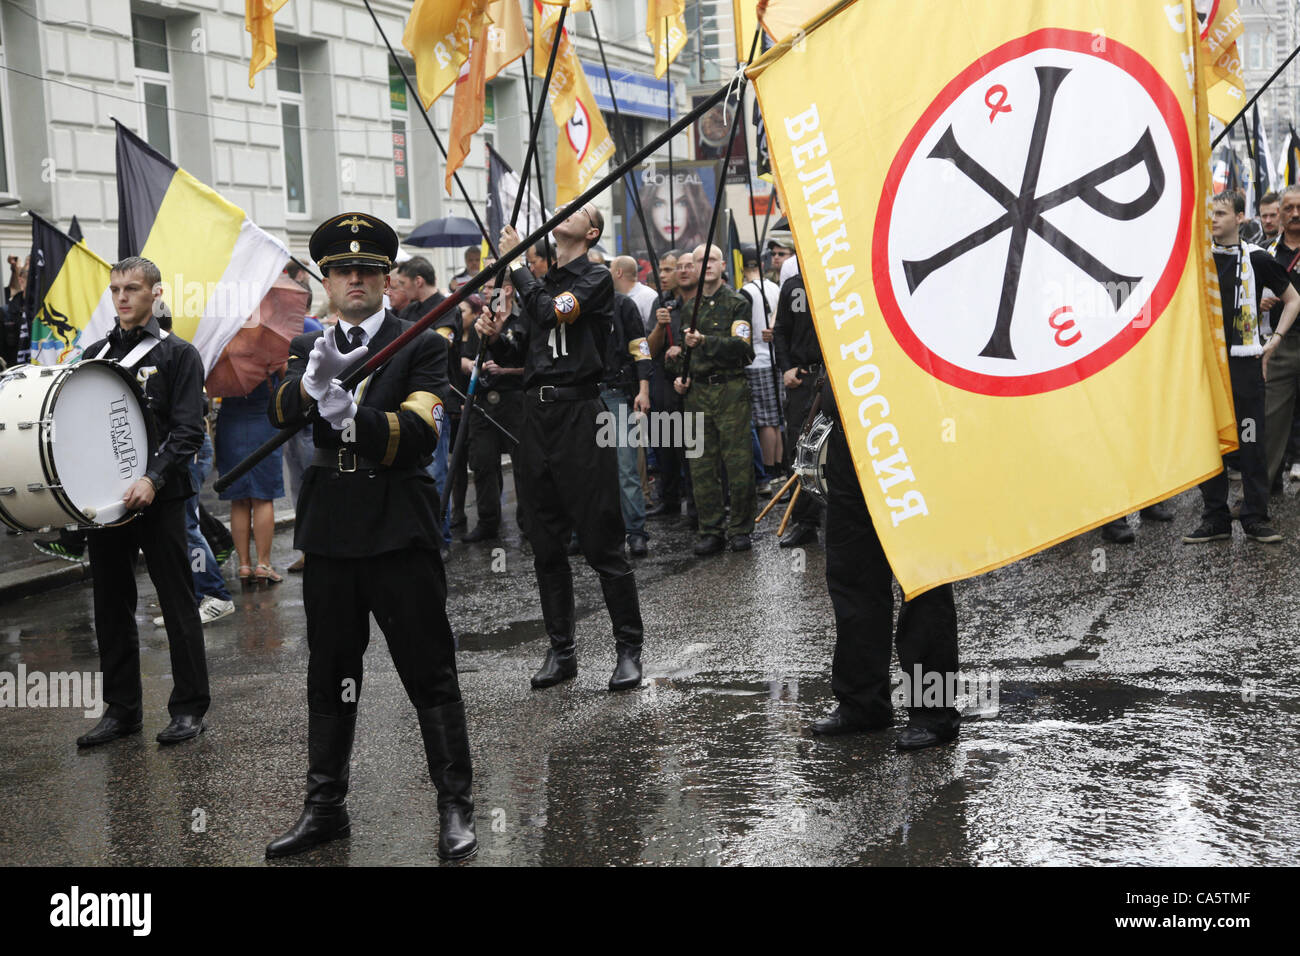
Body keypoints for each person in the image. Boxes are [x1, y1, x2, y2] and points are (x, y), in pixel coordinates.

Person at [265, 211, 475, 861]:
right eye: (342, 270)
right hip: (329, 529)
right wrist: (309, 382)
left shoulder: (422, 344)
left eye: (367, 270)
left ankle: (455, 805)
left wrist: (351, 415)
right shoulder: (311, 344)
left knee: (427, 670)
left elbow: (420, 434)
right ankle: (324, 807)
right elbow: (278, 411)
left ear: (387, 280)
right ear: (325, 280)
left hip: (396, 523)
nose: (354, 279)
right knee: (330, 674)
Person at [493, 202, 645, 692]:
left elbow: (550, 312)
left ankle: (628, 649)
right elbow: (533, 349)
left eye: (579, 210)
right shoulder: (542, 279)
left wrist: (516, 264)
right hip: (535, 419)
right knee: (545, 542)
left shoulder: (595, 279)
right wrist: (496, 340)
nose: (566, 210)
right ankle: (562, 651)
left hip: (581, 414)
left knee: (601, 538)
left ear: (592, 230)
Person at [75, 256, 209, 747]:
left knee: (177, 602)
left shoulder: (179, 355)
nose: (122, 297)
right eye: (115, 289)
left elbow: (189, 430)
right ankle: (122, 710)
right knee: (110, 606)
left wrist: (153, 477)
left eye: (132, 288)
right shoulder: (96, 355)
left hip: (163, 496)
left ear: (155, 293)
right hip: (108, 504)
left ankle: (190, 707)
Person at [809, 374, 962, 750]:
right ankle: (862, 704)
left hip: (911, 434)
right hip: (849, 437)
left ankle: (933, 713)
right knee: (853, 580)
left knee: (924, 581)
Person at [1184, 192, 1299, 545]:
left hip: (1245, 364)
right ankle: (1215, 517)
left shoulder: (1257, 258)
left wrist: (1275, 339)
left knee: (1251, 438)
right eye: (1209, 214)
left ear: (1239, 217)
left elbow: (1293, 298)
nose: (1213, 219)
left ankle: (1254, 517)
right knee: (1209, 441)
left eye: (1220, 213)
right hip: (1207, 366)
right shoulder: (1195, 260)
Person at [668, 243, 757, 555]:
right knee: (701, 465)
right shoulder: (688, 308)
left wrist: (705, 341)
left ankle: (741, 529)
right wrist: (680, 372)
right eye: (698, 261)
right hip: (697, 394)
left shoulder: (737, 302)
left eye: (712, 260)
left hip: (730, 391)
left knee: (738, 463)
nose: (705, 265)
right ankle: (711, 530)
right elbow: (685, 355)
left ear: (723, 266)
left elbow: (743, 348)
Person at [463, 267, 526, 542]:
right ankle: (488, 522)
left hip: (515, 400)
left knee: (523, 464)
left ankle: (527, 522)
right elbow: (463, 358)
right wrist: (473, 365)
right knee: (483, 463)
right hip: (483, 401)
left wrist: (505, 370)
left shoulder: (525, 318)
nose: (485, 292)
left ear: (508, 289)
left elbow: (534, 365)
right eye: (484, 288)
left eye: (490, 287)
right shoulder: (482, 320)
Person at [772, 246, 825, 548]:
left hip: (840, 381)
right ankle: (805, 522)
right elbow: (781, 330)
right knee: (801, 448)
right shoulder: (793, 287)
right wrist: (786, 367)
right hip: (804, 379)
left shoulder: (841, 282)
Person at [215, 369, 286, 585]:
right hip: (263, 422)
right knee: (263, 497)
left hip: (230, 422)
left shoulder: (222, 350)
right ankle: (263, 564)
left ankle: (244, 565)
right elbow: (285, 378)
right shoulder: (267, 345)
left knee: (239, 500)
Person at [602, 284, 653, 557]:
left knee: (626, 467)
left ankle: (635, 532)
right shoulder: (573, 304)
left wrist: (643, 390)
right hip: (582, 395)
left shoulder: (623, 305)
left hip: (615, 392)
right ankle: (586, 532)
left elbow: (641, 350)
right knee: (585, 468)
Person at [647, 251, 697, 518]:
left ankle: (696, 502)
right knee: (665, 445)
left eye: (669, 270)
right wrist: (659, 326)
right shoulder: (661, 302)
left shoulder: (695, 302)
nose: (664, 275)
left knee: (690, 447)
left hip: (689, 384)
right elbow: (649, 348)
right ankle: (669, 499)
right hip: (663, 384)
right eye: (662, 270)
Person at [1261, 185, 1300, 490]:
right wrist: (1257, 300)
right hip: (1279, 345)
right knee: (1270, 422)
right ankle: (1260, 492)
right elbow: (1244, 294)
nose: (1295, 214)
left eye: (1299, 207)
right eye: (1288, 208)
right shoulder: (1265, 252)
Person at [740, 247, 783, 495]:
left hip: (756, 360)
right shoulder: (774, 287)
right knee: (775, 418)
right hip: (773, 357)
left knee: (765, 420)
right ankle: (777, 468)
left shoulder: (745, 292)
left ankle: (769, 471)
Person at [611, 255, 659, 330]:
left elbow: (654, 330)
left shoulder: (647, 296)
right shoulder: (616, 297)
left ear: (619, 272)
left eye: (611, 269)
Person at [393, 256, 445, 322]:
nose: (402, 289)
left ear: (418, 281)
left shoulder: (447, 308)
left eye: (403, 283)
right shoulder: (408, 310)